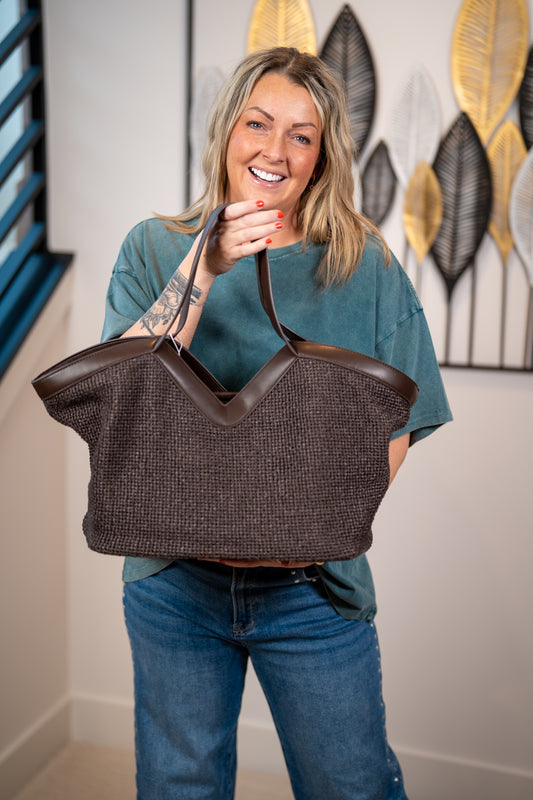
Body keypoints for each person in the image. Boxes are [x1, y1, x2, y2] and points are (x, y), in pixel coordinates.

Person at [102, 47, 452, 800]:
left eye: (301, 134)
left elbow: (396, 422)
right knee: (178, 787)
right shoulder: (154, 246)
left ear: (322, 155)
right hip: (173, 585)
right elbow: (119, 398)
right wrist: (202, 267)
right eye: (258, 124)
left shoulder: (362, 264)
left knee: (349, 786)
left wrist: (305, 527)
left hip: (312, 590)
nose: (275, 150)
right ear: (228, 130)